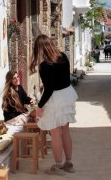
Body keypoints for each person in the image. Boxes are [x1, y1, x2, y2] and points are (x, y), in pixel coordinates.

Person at [29, 34, 78, 176]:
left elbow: (49, 89)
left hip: (55, 97)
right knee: (66, 131)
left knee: (55, 133)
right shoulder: (63, 56)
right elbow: (65, 78)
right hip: (67, 94)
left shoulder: (45, 65)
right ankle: (69, 163)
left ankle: (57, 166)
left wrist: (39, 107)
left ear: (39, 49)